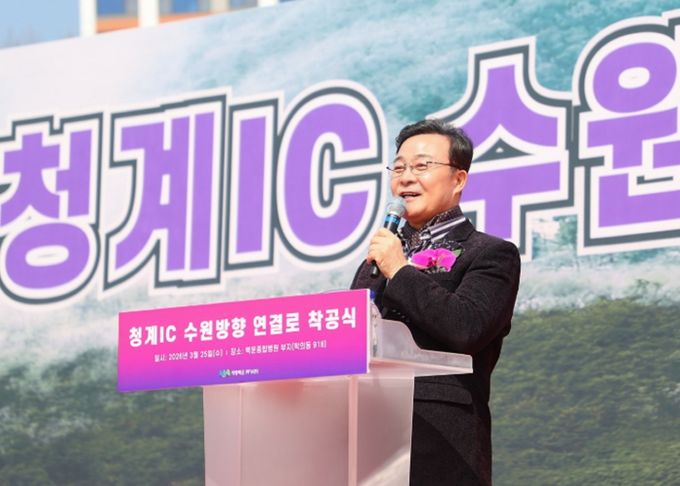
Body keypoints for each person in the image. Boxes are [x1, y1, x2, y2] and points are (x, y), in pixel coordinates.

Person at [351, 118, 521, 485]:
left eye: (421, 166)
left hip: (440, 445)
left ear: (458, 179)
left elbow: (466, 327)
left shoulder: (490, 254)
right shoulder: (377, 260)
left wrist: (399, 269)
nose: (406, 178)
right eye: (399, 168)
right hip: (366, 440)